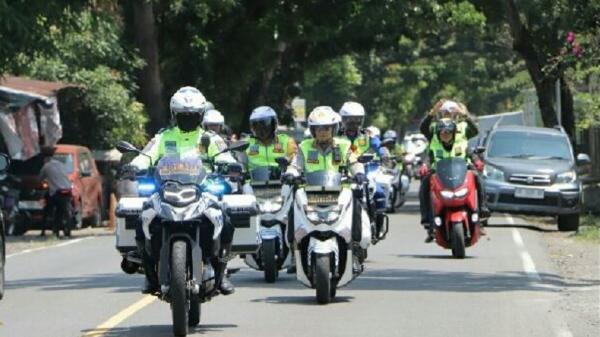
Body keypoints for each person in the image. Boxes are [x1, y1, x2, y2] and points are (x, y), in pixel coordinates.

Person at [129, 86, 236, 295]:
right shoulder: (163, 137)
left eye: (192, 115)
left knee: (227, 221)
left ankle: (221, 275)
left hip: (203, 190)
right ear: (174, 115)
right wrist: (134, 165)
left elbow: (225, 156)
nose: (188, 119)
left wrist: (230, 165)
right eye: (183, 115)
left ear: (201, 115)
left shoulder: (209, 138)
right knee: (141, 219)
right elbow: (146, 155)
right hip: (166, 190)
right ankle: (150, 277)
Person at [284, 106, 368, 265]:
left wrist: (359, 173)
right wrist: (290, 173)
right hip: (310, 192)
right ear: (313, 130)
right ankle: (295, 252)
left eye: (326, 128)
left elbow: (354, 162)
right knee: (292, 208)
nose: (322, 131)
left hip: (339, 191)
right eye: (318, 128)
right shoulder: (304, 146)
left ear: (334, 129)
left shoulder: (343, 146)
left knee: (356, 207)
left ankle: (355, 249)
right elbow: (295, 165)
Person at [244, 106, 298, 272]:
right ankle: (237, 247)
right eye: (257, 125)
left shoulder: (285, 141)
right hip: (253, 185)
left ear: (273, 124)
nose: (261, 129)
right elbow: (235, 159)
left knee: (298, 208)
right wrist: (235, 170)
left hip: (281, 184)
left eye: (265, 124)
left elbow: (296, 158)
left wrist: (290, 169)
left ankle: (297, 252)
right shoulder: (247, 143)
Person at [419, 116, 488, 243]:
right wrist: (424, 166)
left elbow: (472, 155)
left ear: (454, 133)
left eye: (448, 132)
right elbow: (428, 159)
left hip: (461, 175)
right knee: (424, 184)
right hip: (440, 175)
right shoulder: (435, 145)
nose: (445, 135)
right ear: (439, 134)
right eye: (442, 132)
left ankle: (482, 209)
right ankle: (428, 221)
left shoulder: (461, 143)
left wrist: (477, 161)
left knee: (478, 177)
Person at [339, 102, 386, 239]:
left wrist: (384, 154)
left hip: (363, 174)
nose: (353, 124)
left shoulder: (367, 136)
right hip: (340, 175)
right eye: (349, 120)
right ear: (343, 120)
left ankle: (378, 227)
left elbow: (379, 145)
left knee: (379, 193)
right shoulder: (335, 137)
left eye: (357, 120)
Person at [39, 149, 73, 237]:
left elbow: (40, 178)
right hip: (68, 190)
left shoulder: (46, 166)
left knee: (47, 207)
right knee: (64, 207)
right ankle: (66, 227)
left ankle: (44, 227)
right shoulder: (61, 165)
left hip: (56, 192)